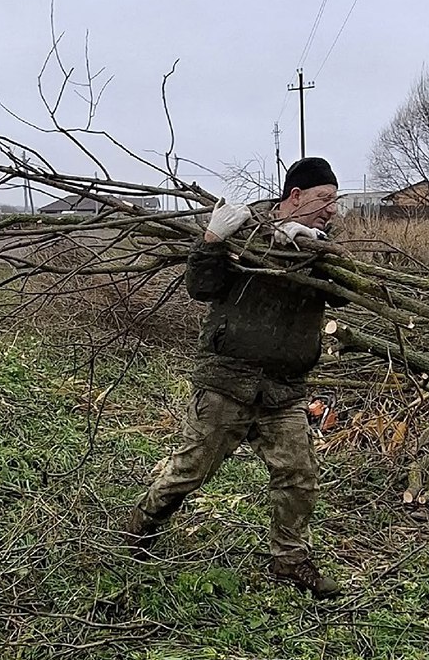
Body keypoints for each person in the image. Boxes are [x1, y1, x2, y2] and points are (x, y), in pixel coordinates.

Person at [127, 157, 345, 597]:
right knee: (192, 471)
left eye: (335, 201)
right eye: (324, 199)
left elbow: (340, 295)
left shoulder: (320, 245)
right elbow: (201, 288)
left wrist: (318, 251)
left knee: (298, 475)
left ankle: (290, 559)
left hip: (285, 386)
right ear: (295, 196)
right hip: (228, 378)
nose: (331, 210)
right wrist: (212, 239)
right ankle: (141, 525)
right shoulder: (243, 233)